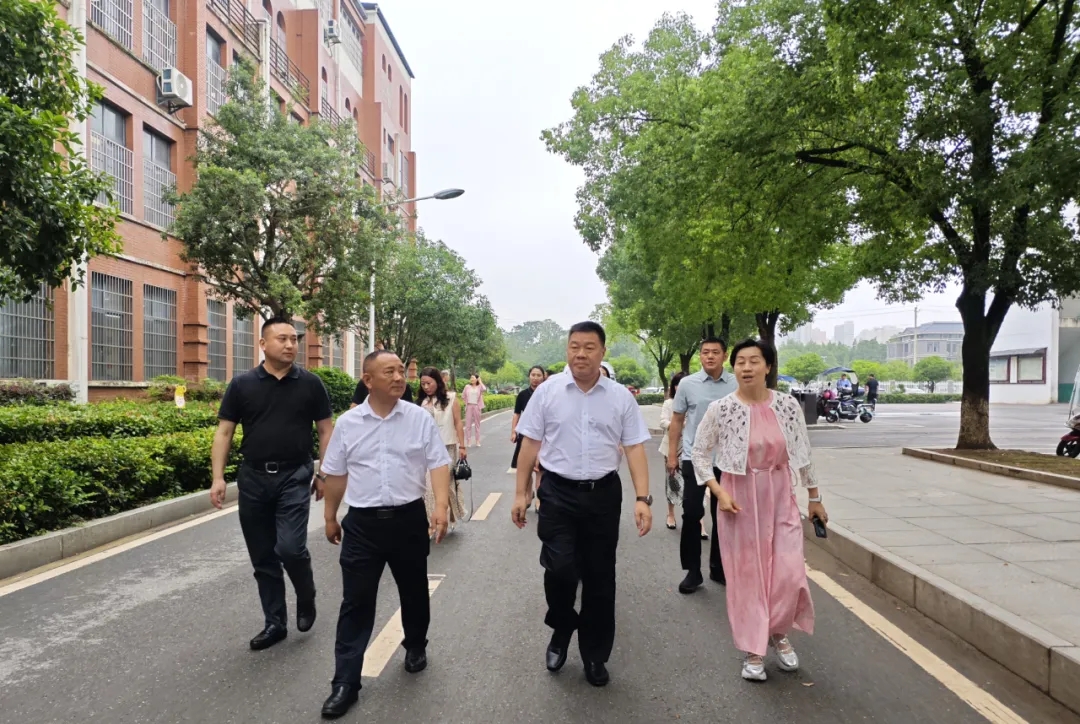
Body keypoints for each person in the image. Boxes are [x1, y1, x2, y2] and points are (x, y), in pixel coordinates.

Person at [511, 321, 652, 687]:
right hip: (557, 492)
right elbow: (529, 443)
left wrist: (642, 498)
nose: (581, 354)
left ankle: (594, 653)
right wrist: (521, 492)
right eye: (574, 346)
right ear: (567, 350)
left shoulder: (620, 397)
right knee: (559, 568)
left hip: (603, 494)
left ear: (602, 352)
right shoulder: (548, 392)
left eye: (589, 347)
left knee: (600, 577)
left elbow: (635, 447)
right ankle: (562, 628)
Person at [319, 350, 453, 718]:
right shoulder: (348, 423)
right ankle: (345, 682)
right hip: (362, 524)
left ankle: (415, 644)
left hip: (408, 519)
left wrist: (440, 507)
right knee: (356, 602)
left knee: (414, 590)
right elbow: (336, 473)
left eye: (401, 371)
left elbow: (438, 463)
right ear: (368, 380)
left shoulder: (418, 418)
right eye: (389, 371)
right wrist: (330, 516)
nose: (399, 377)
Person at [691, 338, 826, 682]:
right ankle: (753, 648)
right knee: (748, 576)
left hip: (780, 494)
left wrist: (814, 496)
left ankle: (778, 632)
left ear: (768, 366)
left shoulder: (788, 405)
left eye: (754, 361)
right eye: (740, 362)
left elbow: (802, 451)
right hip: (738, 497)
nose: (747, 367)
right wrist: (718, 491)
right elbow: (700, 453)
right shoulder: (721, 409)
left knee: (788, 572)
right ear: (734, 367)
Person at [210, 318, 334, 651]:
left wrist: (324, 474)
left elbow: (326, 431)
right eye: (283, 339)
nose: (291, 345)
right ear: (263, 344)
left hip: (294, 475)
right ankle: (275, 622)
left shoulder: (311, 384)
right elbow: (224, 432)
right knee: (263, 556)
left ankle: (305, 595)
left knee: (290, 548)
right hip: (253, 477)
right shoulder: (242, 384)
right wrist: (218, 477)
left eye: (294, 339)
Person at [666, 337, 735, 594]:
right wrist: (672, 455)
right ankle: (693, 572)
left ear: (724, 356)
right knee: (692, 512)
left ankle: (719, 567)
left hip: (728, 461)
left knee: (723, 516)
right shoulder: (687, 384)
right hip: (694, 458)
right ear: (700, 356)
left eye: (715, 352)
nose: (709, 356)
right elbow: (677, 420)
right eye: (705, 352)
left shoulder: (736, 383)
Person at [417, 366, 468, 531]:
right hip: (425, 449)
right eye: (423, 384)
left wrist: (462, 446)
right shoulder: (420, 402)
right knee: (429, 486)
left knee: (444, 485)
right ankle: (433, 523)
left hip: (447, 447)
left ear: (438, 382)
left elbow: (458, 422)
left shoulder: (451, 398)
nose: (426, 387)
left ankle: (446, 516)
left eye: (429, 383)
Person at [659, 372, 687, 530]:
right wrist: (677, 424)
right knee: (672, 481)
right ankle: (670, 514)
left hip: (691, 448)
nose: (680, 387)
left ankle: (699, 520)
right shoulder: (669, 403)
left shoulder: (694, 402)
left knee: (696, 484)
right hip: (671, 447)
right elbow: (662, 422)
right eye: (678, 384)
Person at [510, 365, 546, 483]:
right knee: (525, 470)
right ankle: (527, 493)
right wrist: (514, 431)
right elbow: (517, 414)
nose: (535, 378)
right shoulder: (522, 395)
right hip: (525, 434)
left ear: (543, 377)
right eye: (533, 375)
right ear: (529, 376)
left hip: (543, 435)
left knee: (540, 470)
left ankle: (538, 495)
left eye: (538, 375)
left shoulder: (546, 393)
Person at [462, 373, 486, 447]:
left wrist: (480, 381)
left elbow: (484, 389)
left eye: (473, 378)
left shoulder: (479, 387)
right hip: (469, 406)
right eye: (471, 378)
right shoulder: (467, 386)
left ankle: (477, 441)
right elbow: (463, 396)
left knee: (477, 425)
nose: (471, 379)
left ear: (476, 379)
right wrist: (466, 403)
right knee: (468, 425)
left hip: (476, 407)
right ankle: (468, 441)